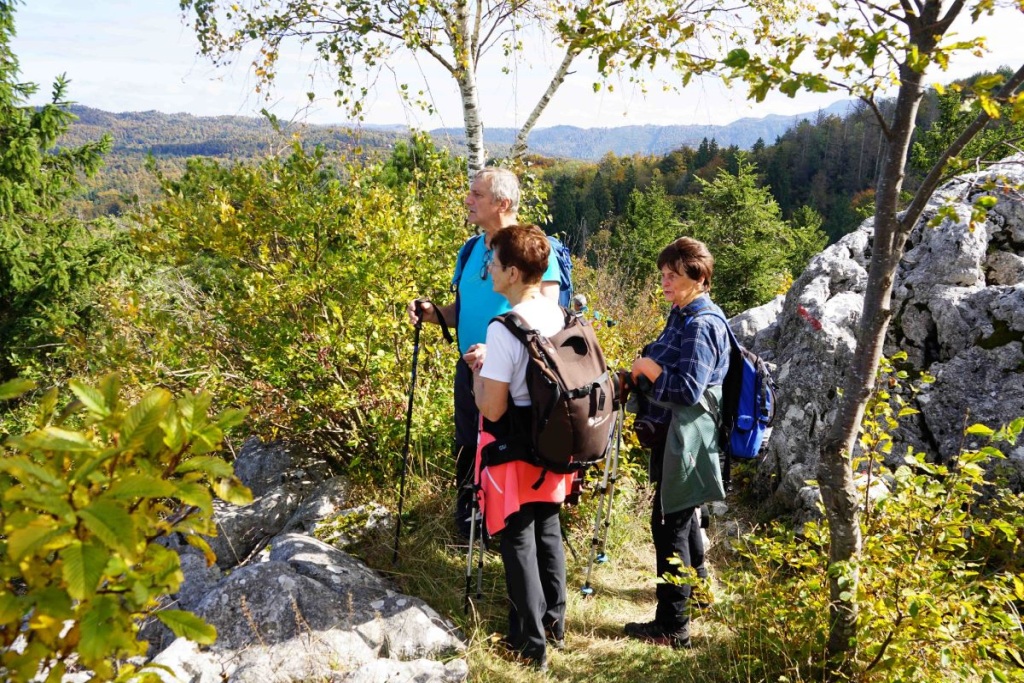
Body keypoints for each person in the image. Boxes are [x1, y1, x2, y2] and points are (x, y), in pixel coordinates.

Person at [407, 168, 561, 538]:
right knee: (467, 444)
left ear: (502, 203)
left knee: (506, 450)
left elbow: (549, 319)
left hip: (515, 374)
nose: (468, 200)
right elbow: (461, 312)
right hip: (470, 368)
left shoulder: (532, 248)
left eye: (477, 194)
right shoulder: (472, 250)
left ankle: (509, 528)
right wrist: (433, 314)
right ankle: (469, 522)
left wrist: (500, 348)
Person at [471, 224, 574, 671]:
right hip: (554, 441)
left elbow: (492, 407)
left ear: (513, 272)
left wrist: (479, 369)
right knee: (548, 530)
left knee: (517, 538)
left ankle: (529, 646)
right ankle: (555, 625)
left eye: (494, 263)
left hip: (515, 443)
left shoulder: (505, 328)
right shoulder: (560, 315)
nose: (490, 270)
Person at [623, 236, 730, 649]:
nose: (665, 282)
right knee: (682, 517)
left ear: (699, 278)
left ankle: (673, 627)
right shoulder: (682, 313)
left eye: (673, 275)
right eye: (664, 275)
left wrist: (648, 368)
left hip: (688, 437)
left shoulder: (701, 325)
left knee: (669, 524)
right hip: (678, 434)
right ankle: (698, 594)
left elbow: (687, 390)